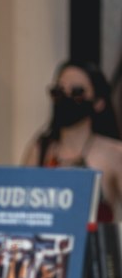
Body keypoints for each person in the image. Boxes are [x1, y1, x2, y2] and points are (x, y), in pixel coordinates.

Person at [22, 60, 122, 216]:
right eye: (59, 92)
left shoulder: (114, 153)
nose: (66, 98)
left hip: (94, 239)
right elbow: (21, 208)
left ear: (98, 102)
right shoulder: (39, 149)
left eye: (77, 92)